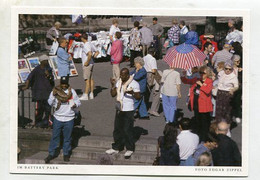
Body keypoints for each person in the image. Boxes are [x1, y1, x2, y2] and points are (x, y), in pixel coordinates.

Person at [106, 68, 141, 159]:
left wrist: (132, 92)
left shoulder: (134, 83)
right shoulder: (119, 82)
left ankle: (130, 148)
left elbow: (138, 97)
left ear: (128, 75)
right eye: (121, 75)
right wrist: (113, 85)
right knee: (117, 129)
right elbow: (113, 94)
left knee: (127, 129)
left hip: (128, 109)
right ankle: (117, 147)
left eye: (123, 75)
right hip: (119, 108)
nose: (121, 76)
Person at [44, 76, 81, 163]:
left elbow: (78, 102)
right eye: (62, 84)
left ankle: (66, 154)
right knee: (55, 137)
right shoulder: (55, 91)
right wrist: (53, 96)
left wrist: (75, 105)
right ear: (60, 83)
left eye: (65, 84)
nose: (64, 86)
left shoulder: (72, 91)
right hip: (58, 118)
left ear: (67, 84)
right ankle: (51, 153)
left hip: (69, 118)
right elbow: (49, 102)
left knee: (67, 138)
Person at [182, 66, 213, 142]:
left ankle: (204, 139)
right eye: (200, 73)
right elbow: (186, 81)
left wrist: (202, 85)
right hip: (196, 105)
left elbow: (208, 91)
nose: (201, 74)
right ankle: (198, 138)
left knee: (204, 124)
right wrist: (183, 75)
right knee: (197, 122)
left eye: (203, 73)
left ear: (208, 74)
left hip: (204, 106)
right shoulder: (197, 80)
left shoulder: (209, 81)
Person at [22, 54, 54, 128]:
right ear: (42, 61)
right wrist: (26, 86)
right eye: (46, 61)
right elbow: (29, 78)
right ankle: (37, 122)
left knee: (48, 109)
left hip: (47, 93)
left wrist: (48, 75)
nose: (47, 62)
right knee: (39, 110)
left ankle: (48, 123)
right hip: (39, 93)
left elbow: (51, 79)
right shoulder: (36, 70)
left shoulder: (49, 69)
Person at [79, 34, 99, 100]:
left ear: (82, 38)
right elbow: (97, 51)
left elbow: (89, 53)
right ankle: (91, 93)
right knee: (91, 79)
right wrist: (94, 57)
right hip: (92, 63)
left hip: (87, 65)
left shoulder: (86, 45)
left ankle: (86, 94)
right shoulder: (90, 44)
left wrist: (87, 61)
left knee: (87, 79)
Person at [144, 47, 161, 117]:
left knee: (146, 93)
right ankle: (154, 110)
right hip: (151, 75)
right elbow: (154, 70)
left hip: (144, 75)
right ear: (153, 53)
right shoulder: (152, 59)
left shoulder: (144, 57)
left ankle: (145, 108)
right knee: (156, 92)